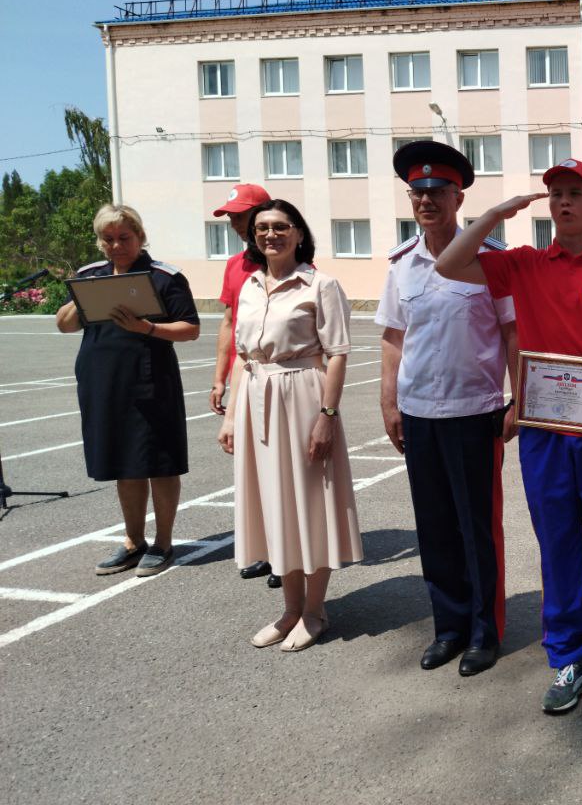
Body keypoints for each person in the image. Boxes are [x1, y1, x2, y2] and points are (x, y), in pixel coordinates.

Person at [436, 159, 582, 721]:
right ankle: (569, 654)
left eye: (576, 193)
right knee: (557, 546)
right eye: (556, 193)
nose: (564, 202)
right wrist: (494, 213)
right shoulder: (523, 264)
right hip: (543, 434)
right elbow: (447, 263)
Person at [376, 141, 518, 677]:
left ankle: (484, 631)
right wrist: (389, 402)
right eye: (417, 192)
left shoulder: (490, 258)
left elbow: (513, 333)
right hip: (419, 413)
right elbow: (394, 338)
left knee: (476, 528)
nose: (426, 200)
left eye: (437, 191)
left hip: (474, 411)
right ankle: (449, 627)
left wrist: (519, 399)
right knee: (434, 527)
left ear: (459, 198)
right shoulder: (402, 265)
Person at [217, 199, 362, 652]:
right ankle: (290, 609)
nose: (270, 234)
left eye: (281, 226)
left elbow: (337, 355)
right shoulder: (249, 286)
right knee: (275, 506)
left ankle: (314, 611)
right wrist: (231, 416)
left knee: (310, 503)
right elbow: (243, 357)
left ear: (299, 233)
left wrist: (327, 416)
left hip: (303, 398)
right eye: (262, 227)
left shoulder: (321, 284)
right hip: (257, 399)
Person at [56, 204, 201, 577]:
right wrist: (83, 296)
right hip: (103, 382)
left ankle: (163, 543)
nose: (116, 245)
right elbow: (64, 326)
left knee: (160, 463)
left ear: (140, 236)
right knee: (125, 462)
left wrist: (147, 328)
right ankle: (134, 542)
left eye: (124, 237)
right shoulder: (89, 276)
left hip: (152, 383)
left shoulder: (164, 277)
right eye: (108, 239)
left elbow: (190, 329)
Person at [207, 183, 277, 586]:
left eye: (241, 215)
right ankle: (266, 549)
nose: (235, 224)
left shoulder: (287, 259)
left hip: (277, 378)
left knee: (280, 467)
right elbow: (229, 323)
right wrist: (219, 378)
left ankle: (288, 553)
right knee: (253, 469)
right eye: (231, 217)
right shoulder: (234, 265)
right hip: (243, 376)